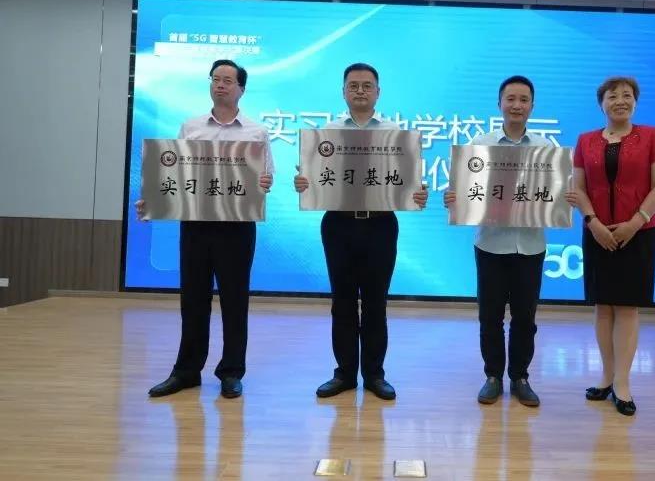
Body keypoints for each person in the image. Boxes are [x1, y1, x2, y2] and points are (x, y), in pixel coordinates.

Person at [137, 59, 274, 399]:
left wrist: (264, 182)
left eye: (228, 80)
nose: (220, 85)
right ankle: (187, 371)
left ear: (241, 89)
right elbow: (173, 175)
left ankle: (231, 371)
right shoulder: (191, 127)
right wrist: (152, 201)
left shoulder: (256, 132)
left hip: (237, 227)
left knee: (235, 300)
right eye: (215, 79)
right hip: (196, 226)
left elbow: (266, 178)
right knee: (193, 298)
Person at [294, 63, 428, 401]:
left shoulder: (396, 134)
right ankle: (344, 374)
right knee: (341, 301)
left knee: (375, 303)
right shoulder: (327, 133)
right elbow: (315, 180)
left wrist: (417, 193)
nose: (360, 91)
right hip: (338, 225)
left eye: (367, 85)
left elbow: (409, 183)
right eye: (353, 85)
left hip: (380, 225)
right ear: (343, 91)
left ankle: (374, 375)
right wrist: (305, 184)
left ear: (378, 92)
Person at [566, 76, 655, 416]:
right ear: (602, 104)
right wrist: (593, 223)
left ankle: (623, 383)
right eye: (612, 96)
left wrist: (634, 223)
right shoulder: (585, 140)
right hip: (597, 232)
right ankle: (606, 377)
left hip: (639, 232)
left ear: (635, 102)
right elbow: (578, 188)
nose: (620, 101)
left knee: (626, 308)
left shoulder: (652, 136)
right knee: (603, 306)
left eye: (627, 95)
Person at [444, 75, 549, 407]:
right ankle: (493, 376)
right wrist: (454, 198)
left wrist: (566, 198)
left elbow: (556, 193)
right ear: (499, 103)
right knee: (489, 317)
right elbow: (463, 191)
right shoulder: (481, 144)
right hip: (490, 245)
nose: (517, 105)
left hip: (530, 245)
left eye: (523, 100)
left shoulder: (546, 148)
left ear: (532, 105)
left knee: (525, 318)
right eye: (511, 99)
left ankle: (520, 377)